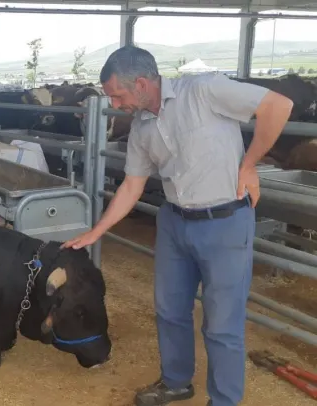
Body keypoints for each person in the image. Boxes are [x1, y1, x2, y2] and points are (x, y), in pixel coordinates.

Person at [61, 46, 293, 406]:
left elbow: (278, 106)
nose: (116, 105)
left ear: (140, 84)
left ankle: (224, 400)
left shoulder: (204, 90)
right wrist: (97, 230)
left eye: (118, 96)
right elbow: (132, 185)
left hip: (225, 222)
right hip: (174, 222)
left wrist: (249, 165)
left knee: (222, 324)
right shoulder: (141, 127)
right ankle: (176, 382)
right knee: (169, 311)